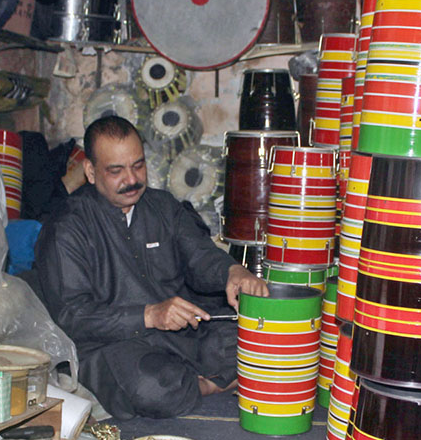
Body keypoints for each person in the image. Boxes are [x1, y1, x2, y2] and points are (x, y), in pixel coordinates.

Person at [35, 115, 268, 420]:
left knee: (262, 340)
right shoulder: (67, 227)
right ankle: (206, 386)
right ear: (90, 172)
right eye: (116, 170)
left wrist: (232, 271)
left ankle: (196, 379)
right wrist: (149, 315)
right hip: (112, 346)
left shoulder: (162, 207)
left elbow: (200, 256)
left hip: (177, 335)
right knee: (150, 386)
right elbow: (73, 315)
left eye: (138, 165)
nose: (131, 180)